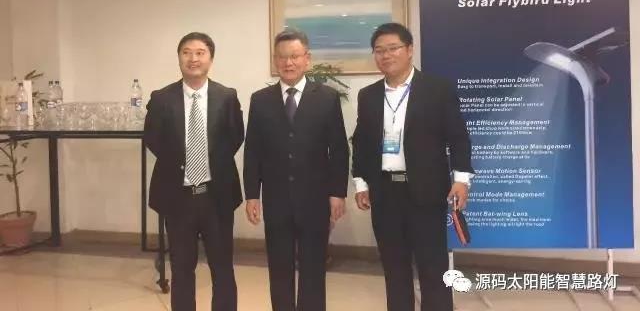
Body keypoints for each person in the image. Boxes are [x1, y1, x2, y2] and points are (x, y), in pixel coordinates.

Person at [352, 22, 474, 311]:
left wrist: (461, 179)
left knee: (433, 268)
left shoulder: (437, 89)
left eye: (393, 48)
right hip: (385, 193)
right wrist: (361, 182)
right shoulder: (368, 95)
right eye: (379, 50)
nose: (386, 55)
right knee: (394, 269)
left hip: (426, 192)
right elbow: (361, 142)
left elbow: (458, 137)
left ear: (409, 50)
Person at [243, 29, 350, 311]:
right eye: (282, 57)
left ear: (307, 58)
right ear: (275, 60)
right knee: (279, 267)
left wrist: (337, 193)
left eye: (294, 56)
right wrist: (252, 194)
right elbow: (253, 150)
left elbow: (339, 149)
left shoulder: (326, 97)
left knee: (313, 268)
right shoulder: (260, 100)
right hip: (276, 198)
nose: (288, 63)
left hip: (315, 198)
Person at [144, 32, 244, 311]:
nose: (193, 58)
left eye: (200, 52)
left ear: (211, 58)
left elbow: (236, 137)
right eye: (186, 52)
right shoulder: (162, 98)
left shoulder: (227, 96)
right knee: (181, 268)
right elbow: (152, 139)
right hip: (178, 197)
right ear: (179, 58)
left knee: (222, 267)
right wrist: (180, 162)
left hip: (217, 195)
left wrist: (212, 163)